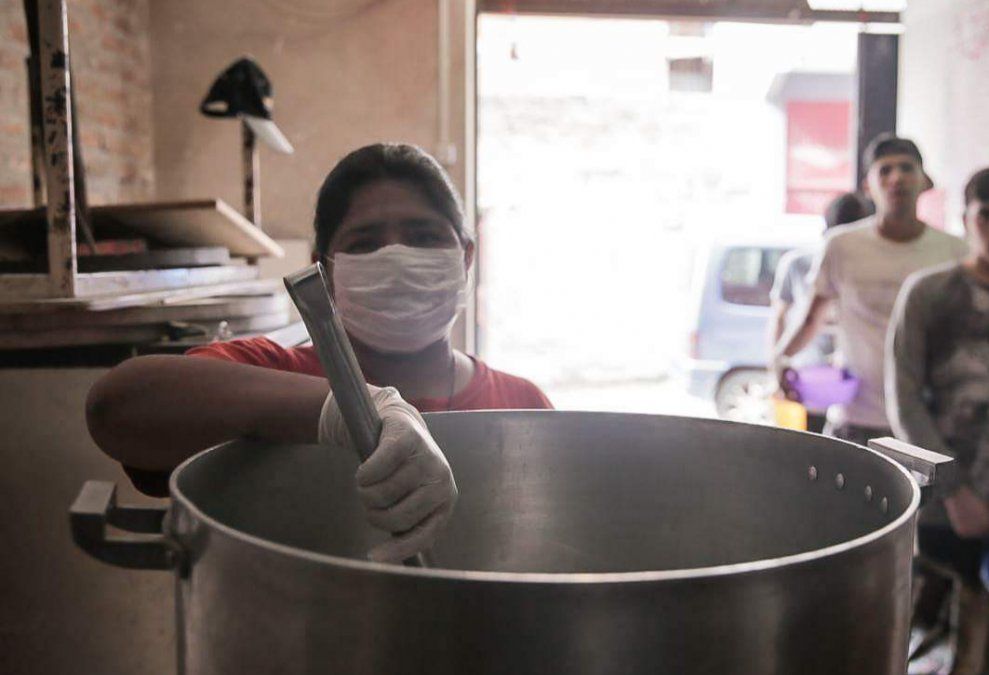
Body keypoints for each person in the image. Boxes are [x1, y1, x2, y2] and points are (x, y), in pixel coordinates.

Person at [86, 143, 552, 563]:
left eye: (424, 235)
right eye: (365, 242)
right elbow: (118, 406)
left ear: (466, 257)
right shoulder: (274, 376)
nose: (396, 256)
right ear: (325, 271)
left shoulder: (522, 404)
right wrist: (343, 410)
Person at [772, 134, 968, 445]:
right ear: (868, 186)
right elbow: (811, 320)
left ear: (925, 182)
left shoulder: (954, 252)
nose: (897, 178)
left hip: (929, 423)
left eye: (906, 168)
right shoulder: (841, 246)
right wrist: (780, 361)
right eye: (885, 170)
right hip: (856, 418)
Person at [887, 168, 989, 672]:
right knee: (949, 618)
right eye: (988, 215)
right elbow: (904, 398)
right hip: (951, 493)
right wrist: (955, 491)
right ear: (967, 219)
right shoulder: (929, 292)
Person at [768, 192, 872, 432]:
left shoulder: (870, 268)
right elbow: (780, 318)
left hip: (853, 385)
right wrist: (777, 366)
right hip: (805, 380)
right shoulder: (798, 264)